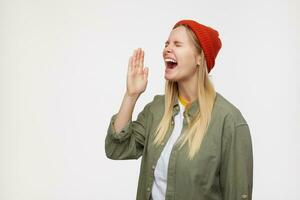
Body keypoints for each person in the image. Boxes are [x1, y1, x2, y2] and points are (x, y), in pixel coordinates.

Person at [105, 19, 253, 200]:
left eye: (177, 44)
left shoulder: (229, 121)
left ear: (200, 57)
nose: (167, 48)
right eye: (167, 44)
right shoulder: (156, 110)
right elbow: (116, 149)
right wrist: (131, 95)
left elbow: (238, 195)